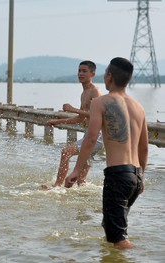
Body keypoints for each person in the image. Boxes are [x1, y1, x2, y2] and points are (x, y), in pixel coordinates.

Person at [65, 57, 148, 249]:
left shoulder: (101, 102)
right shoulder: (139, 107)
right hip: (135, 176)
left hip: (118, 176)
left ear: (109, 76)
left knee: (119, 239)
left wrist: (77, 170)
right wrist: (142, 177)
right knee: (111, 229)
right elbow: (143, 148)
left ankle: (140, 257)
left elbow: (91, 138)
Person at [43, 61, 103, 189]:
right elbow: (81, 118)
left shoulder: (95, 91)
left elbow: (96, 115)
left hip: (96, 136)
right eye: (79, 70)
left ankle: (57, 186)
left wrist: (72, 109)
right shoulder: (84, 92)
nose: (80, 73)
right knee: (81, 183)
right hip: (90, 134)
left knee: (66, 152)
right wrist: (58, 122)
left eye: (84, 71)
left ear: (92, 74)